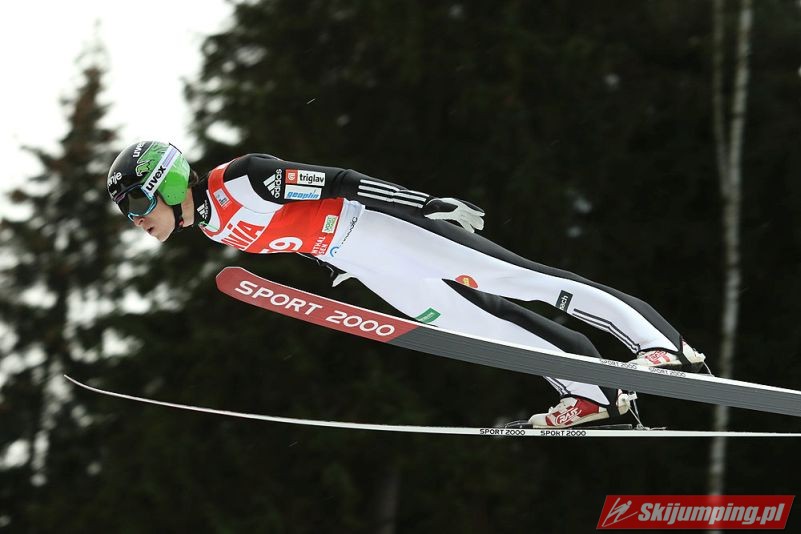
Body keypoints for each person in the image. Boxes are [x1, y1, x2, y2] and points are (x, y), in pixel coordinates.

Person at [106, 141, 706, 428]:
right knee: (480, 327)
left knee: (524, 280)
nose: (135, 220)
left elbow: (338, 181)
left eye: (136, 203)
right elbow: (299, 232)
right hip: (367, 261)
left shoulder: (242, 180)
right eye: (126, 212)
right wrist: (336, 265)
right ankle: (594, 394)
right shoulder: (213, 225)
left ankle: (663, 347)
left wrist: (425, 205)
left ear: (168, 182)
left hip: (385, 227)